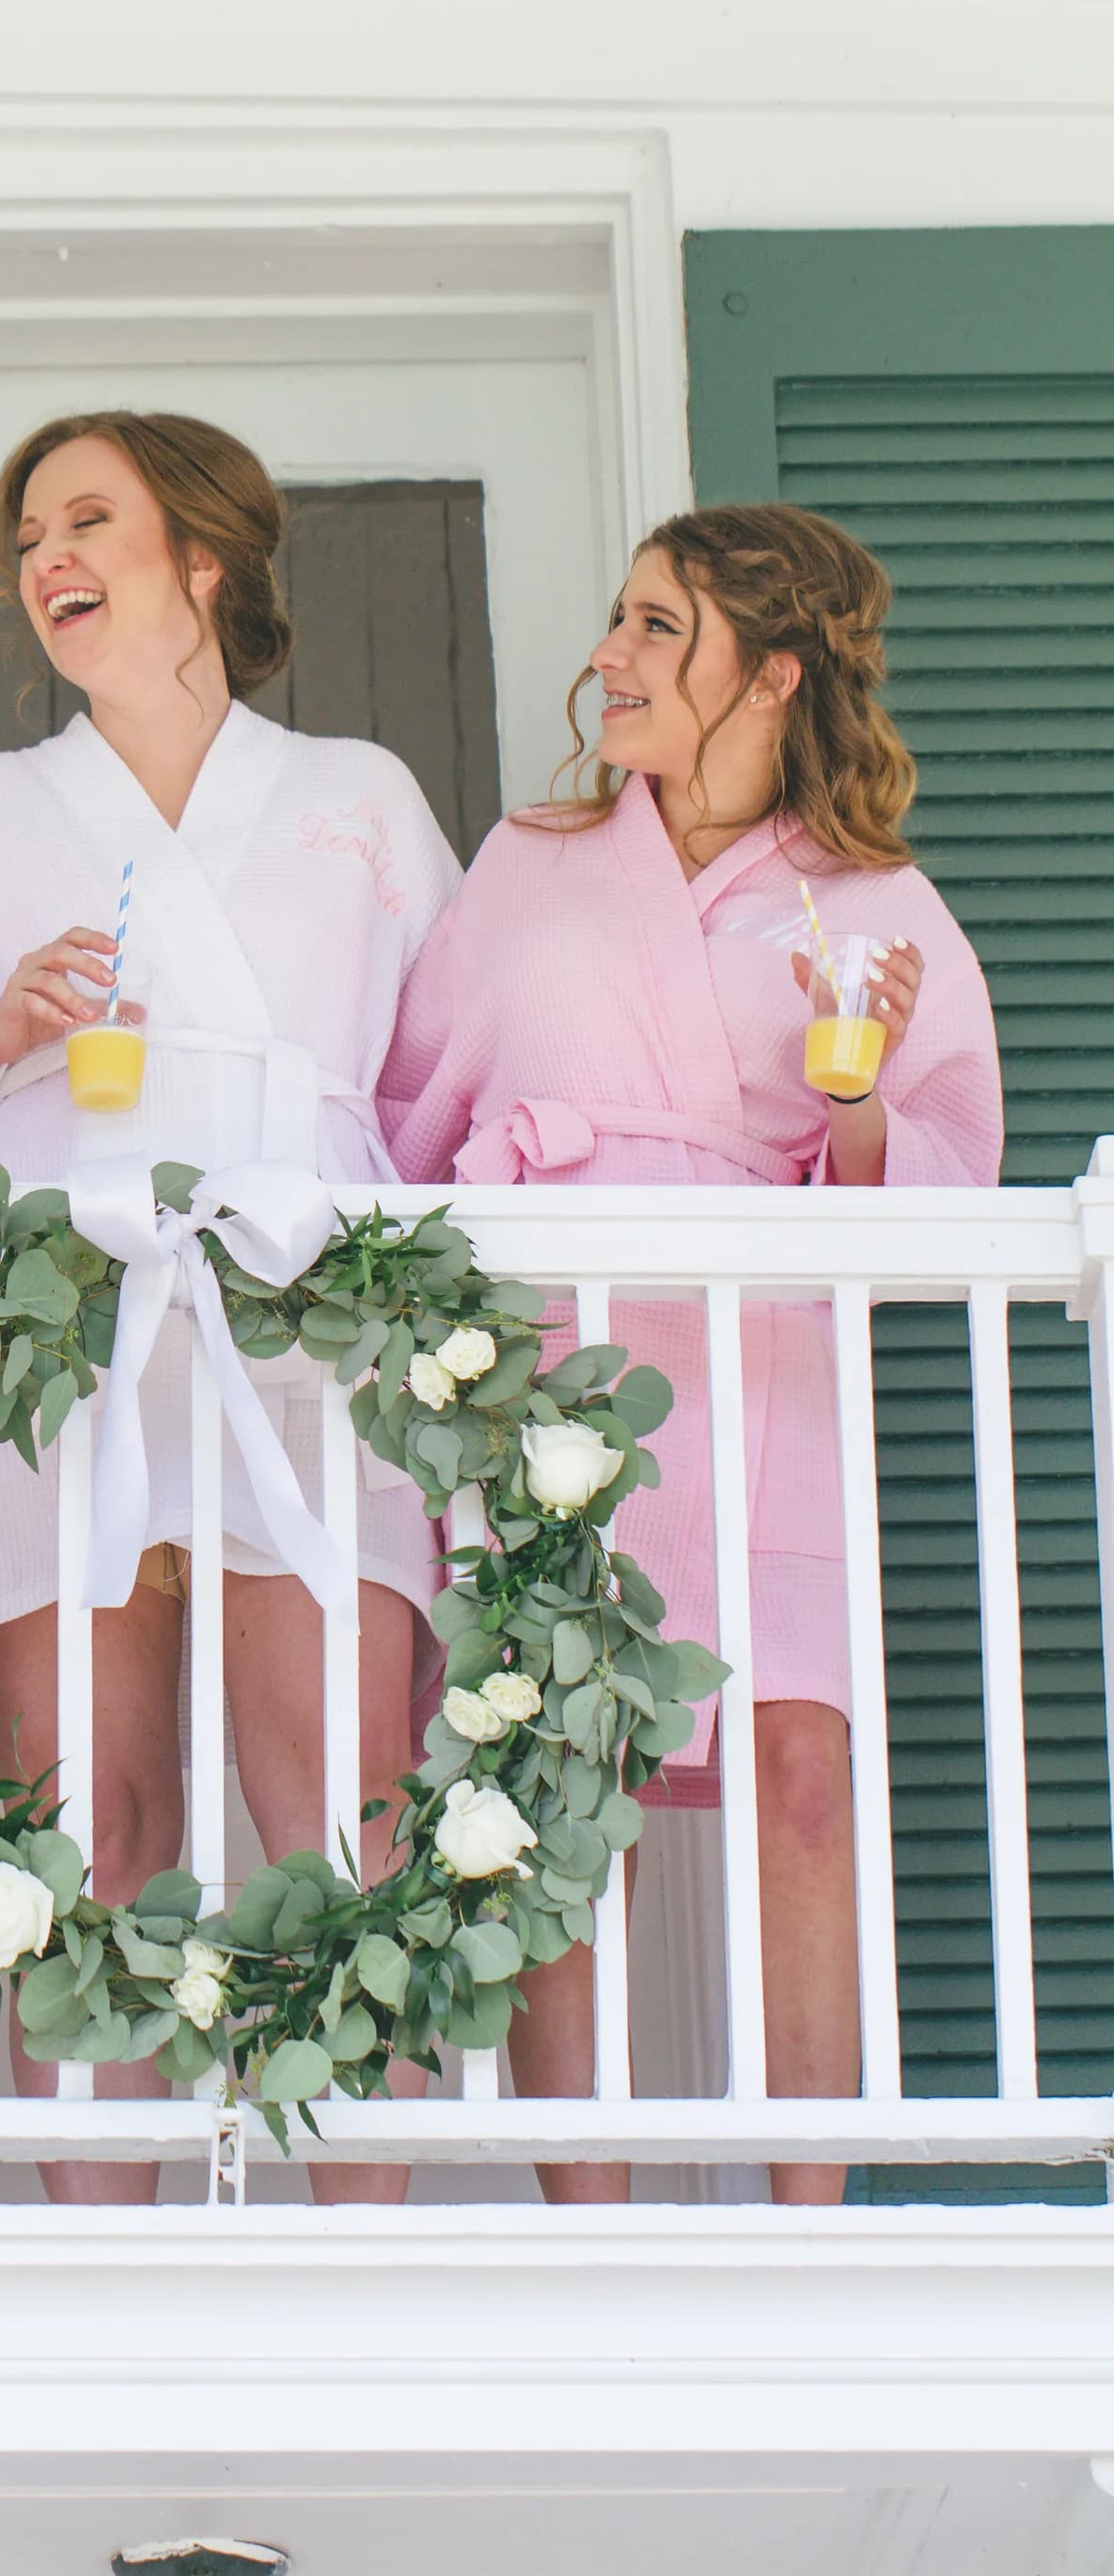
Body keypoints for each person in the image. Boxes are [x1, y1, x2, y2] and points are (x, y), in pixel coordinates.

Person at [0, 409, 461, 2201]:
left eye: (89, 518)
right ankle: (104, 2270)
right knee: (81, 1819)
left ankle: (353, 2265)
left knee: (344, 1811)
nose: (45, 556)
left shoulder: (360, 800)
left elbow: (444, 1087)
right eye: (28, 532)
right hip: (73, 1333)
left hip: (308, 1326)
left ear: (202, 558)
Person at [381, 502, 1003, 2207]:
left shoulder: (870, 897)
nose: (614, 657)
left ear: (773, 671)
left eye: (660, 628)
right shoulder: (533, 857)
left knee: (800, 1770)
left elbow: (950, 1154)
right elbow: (412, 1111)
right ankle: (595, 2215)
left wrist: (856, 1100)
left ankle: (811, 2218)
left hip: (759, 1363)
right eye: (619, 621)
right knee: (564, 1764)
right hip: (552, 1358)